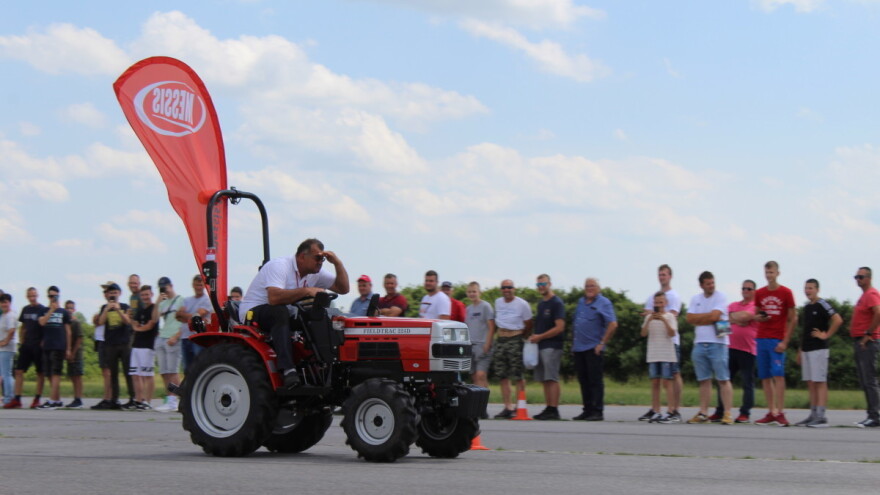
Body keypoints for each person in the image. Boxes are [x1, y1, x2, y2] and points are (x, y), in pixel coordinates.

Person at [240, 238, 350, 390]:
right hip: (255, 311)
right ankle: (288, 370)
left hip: (284, 312)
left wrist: (337, 263)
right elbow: (273, 298)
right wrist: (306, 291)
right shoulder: (279, 267)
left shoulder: (315, 273)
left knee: (320, 316)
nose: (320, 262)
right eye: (317, 258)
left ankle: (325, 367)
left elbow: (343, 288)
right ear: (301, 257)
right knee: (279, 311)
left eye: (323, 258)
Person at [685, 271, 733, 425]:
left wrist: (703, 318)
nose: (711, 286)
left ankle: (727, 413)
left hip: (718, 343)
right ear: (701, 285)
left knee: (723, 379)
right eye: (708, 283)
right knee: (704, 379)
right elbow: (689, 318)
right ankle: (703, 412)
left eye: (712, 282)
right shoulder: (695, 299)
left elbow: (715, 317)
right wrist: (708, 317)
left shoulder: (721, 297)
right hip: (700, 342)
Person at [794, 279, 842, 427]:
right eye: (806, 288)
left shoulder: (823, 304)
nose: (808, 291)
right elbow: (805, 330)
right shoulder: (807, 307)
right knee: (811, 382)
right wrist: (800, 350)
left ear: (817, 289)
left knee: (820, 381)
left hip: (819, 348)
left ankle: (821, 416)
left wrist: (826, 335)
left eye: (810, 288)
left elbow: (838, 320)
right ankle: (813, 413)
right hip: (807, 348)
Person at [753, 261, 796, 426]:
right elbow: (756, 314)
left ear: (778, 273)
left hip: (776, 338)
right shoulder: (760, 293)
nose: (769, 275)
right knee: (764, 376)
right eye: (766, 272)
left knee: (778, 374)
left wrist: (785, 340)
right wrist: (759, 317)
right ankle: (771, 411)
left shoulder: (786, 292)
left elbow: (793, 318)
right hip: (761, 337)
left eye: (771, 272)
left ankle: (781, 411)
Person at [710, 279, 758, 424]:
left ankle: (745, 413)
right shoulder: (732, 305)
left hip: (748, 349)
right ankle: (721, 410)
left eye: (749, 289)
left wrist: (733, 318)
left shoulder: (756, 306)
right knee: (724, 380)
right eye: (743, 288)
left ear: (754, 291)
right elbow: (720, 322)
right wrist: (737, 319)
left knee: (747, 382)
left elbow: (745, 316)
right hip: (729, 347)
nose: (745, 291)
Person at [640, 264, 684, 423]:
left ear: (670, 276)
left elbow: (673, 316)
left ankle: (674, 410)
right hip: (655, 346)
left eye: (664, 274)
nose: (661, 277)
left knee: (672, 376)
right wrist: (651, 315)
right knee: (656, 379)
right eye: (660, 274)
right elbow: (645, 314)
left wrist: (659, 316)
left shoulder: (674, 296)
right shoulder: (652, 296)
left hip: (670, 344)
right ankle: (656, 409)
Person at [572, 278, 618, 421]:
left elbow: (612, 324)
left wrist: (602, 343)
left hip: (593, 347)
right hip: (579, 347)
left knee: (595, 380)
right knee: (583, 380)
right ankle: (587, 409)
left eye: (592, 286)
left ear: (598, 288)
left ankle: (597, 411)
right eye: (587, 286)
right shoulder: (581, 302)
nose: (589, 288)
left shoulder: (604, 302)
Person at [492, 280, 533, 419]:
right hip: (501, 338)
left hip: (515, 338)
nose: (506, 290)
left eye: (509, 287)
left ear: (514, 288)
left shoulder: (522, 304)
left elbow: (528, 323)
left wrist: (521, 336)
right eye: (503, 287)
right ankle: (507, 406)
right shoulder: (498, 302)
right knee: (502, 374)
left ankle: (519, 406)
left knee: (518, 374)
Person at [529, 274, 566, 421]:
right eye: (538, 285)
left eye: (543, 284)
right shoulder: (541, 303)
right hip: (540, 345)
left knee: (552, 377)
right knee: (545, 378)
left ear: (549, 284)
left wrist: (541, 336)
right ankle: (548, 407)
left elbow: (560, 327)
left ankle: (554, 408)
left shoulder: (556, 303)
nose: (541, 287)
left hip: (552, 345)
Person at [850, 266, 880, 428]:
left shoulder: (872, 294)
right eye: (856, 277)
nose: (858, 280)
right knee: (864, 380)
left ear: (869, 278)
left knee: (869, 380)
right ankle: (870, 414)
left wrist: (868, 334)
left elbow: (878, 312)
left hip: (868, 342)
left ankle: (875, 416)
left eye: (860, 277)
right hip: (860, 341)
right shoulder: (864, 296)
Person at [97, 282, 135, 410]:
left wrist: (118, 309)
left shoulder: (125, 306)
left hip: (124, 343)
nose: (113, 295)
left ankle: (132, 398)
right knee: (113, 373)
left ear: (119, 294)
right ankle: (114, 399)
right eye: (111, 293)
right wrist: (107, 309)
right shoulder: (104, 307)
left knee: (127, 372)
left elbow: (128, 321)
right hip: (110, 344)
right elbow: (100, 322)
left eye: (115, 293)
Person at [8, 287, 47, 409]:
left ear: (38, 295)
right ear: (27, 296)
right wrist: (21, 340)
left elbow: (46, 327)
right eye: (30, 296)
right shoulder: (25, 309)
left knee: (40, 372)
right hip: (26, 345)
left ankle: (37, 398)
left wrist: (43, 342)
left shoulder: (42, 309)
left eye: (34, 295)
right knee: (18, 371)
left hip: (38, 345)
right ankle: (17, 399)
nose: (32, 298)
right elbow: (23, 326)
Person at [36, 286, 71, 410]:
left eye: (55, 296)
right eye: (51, 296)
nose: (53, 298)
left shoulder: (64, 312)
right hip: (47, 345)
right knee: (49, 373)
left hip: (59, 345)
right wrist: (51, 310)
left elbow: (68, 331)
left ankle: (52, 401)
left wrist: (68, 348)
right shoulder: (43, 310)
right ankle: (56, 399)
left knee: (56, 372)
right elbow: (42, 322)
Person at [154, 277, 185, 412]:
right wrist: (157, 302)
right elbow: (155, 319)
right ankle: (169, 399)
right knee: (164, 371)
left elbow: (184, 321)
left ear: (171, 286)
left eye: (165, 287)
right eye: (161, 288)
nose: (164, 290)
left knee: (173, 371)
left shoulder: (180, 300)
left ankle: (177, 400)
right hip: (162, 336)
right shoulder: (163, 302)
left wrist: (176, 336)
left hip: (174, 337)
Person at [465, 282, 495, 412]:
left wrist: (488, 343)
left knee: (481, 375)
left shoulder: (486, 306)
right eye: (470, 291)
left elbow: (491, 326)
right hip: (470, 345)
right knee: (474, 377)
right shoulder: (468, 309)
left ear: (479, 292)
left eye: (474, 291)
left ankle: (484, 407)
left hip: (483, 344)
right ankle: (478, 406)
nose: (472, 294)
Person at [177, 275, 214, 373]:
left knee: (199, 368)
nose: (199, 287)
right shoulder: (186, 300)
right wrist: (192, 316)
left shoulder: (207, 300)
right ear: (193, 285)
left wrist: (184, 315)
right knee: (187, 369)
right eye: (197, 285)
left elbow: (198, 316)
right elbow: (177, 316)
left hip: (198, 338)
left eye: (201, 285)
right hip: (185, 337)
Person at [130, 285, 158, 410]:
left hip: (148, 346)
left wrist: (137, 328)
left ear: (151, 294)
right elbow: (134, 323)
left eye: (147, 294)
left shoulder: (154, 309)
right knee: (136, 374)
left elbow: (150, 324)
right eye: (143, 295)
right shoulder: (140, 310)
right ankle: (138, 400)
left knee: (147, 375)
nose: (145, 297)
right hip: (136, 345)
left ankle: (148, 401)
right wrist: (131, 320)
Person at [64, 300, 85, 409]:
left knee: (77, 377)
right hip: (69, 354)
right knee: (72, 376)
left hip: (77, 354)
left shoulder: (76, 323)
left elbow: (79, 338)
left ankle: (79, 399)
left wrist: (73, 352)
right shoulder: (65, 323)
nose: (69, 310)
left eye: (71, 308)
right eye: (67, 308)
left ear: (74, 310)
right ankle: (75, 398)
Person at [0, 293, 17, 407]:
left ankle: (8, 399)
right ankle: (10, 397)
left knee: (6, 374)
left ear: (10, 302)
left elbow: (12, 330)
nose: (4, 304)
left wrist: (5, 342)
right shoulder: (4, 315)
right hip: (3, 348)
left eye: (6, 302)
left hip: (7, 348)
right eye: (2, 302)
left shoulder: (10, 315)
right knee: (6, 374)